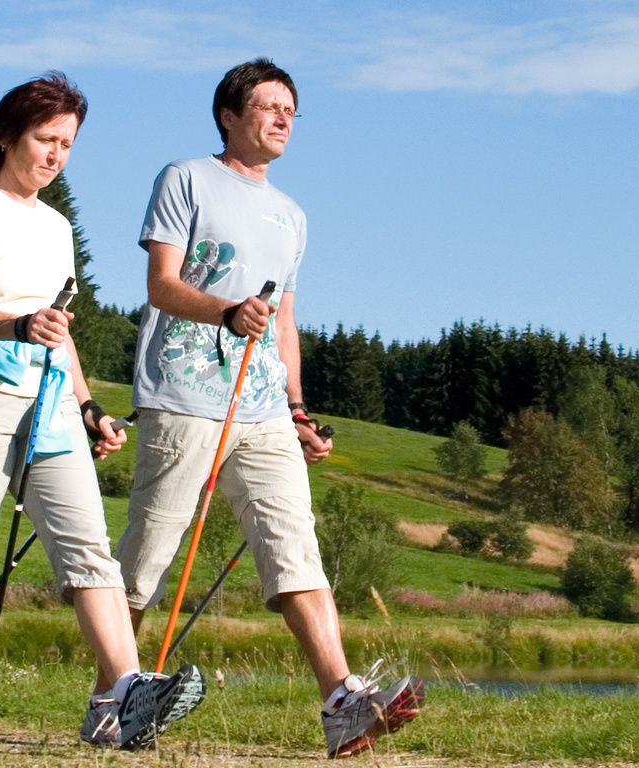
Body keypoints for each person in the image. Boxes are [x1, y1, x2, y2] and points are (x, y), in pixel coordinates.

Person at [116, 58, 424, 759]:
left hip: (261, 411)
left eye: (292, 108)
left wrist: (297, 407)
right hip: (184, 394)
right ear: (229, 114)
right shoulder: (185, 178)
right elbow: (162, 284)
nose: (284, 117)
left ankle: (342, 700)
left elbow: (284, 320)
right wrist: (226, 312)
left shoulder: (292, 215)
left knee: (295, 547)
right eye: (268, 105)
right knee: (147, 556)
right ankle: (116, 695)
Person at [0, 72, 203, 751]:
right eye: (45, 138)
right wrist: (17, 326)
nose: (57, 154)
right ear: (7, 136)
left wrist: (89, 408)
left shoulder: (58, 227)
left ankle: (123, 696)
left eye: (68, 143)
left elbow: (60, 331)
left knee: (91, 553)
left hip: (51, 404)